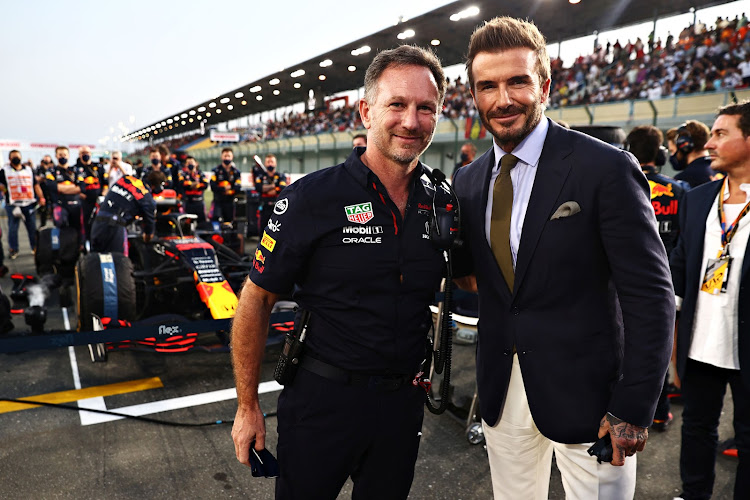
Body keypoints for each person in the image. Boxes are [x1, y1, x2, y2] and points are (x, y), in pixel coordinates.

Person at [451, 17, 674, 499]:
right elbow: (477, 278)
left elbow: (650, 295)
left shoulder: (606, 168)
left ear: (545, 86)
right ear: (474, 96)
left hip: (594, 400)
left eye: (517, 81)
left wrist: (634, 405)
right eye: (487, 86)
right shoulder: (467, 182)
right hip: (500, 392)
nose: (502, 99)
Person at [231, 44, 448, 499]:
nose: (411, 121)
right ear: (367, 112)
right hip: (321, 404)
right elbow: (256, 299)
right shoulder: (309, 198)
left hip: (401, 406)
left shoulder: (443, 200)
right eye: (397, 104)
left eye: (425, 108)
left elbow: (468, 278)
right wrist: (246, 405)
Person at [670, 101, 750, 500]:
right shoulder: (698, 199)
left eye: (722, 134)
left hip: (744, 343)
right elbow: (680, 270)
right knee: (697, 426)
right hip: (701, 339)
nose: (711, 143)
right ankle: (693, 493)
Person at [626, 125, 689, 432]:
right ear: (661, 154)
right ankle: (660, 412)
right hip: (666, 281)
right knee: (656, 348)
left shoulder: (619, 183)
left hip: (622, 282)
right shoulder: (680, 191)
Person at [90, 171, 163, 254]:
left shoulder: (125, 178)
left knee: (94, 260)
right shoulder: (148, 199)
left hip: (98, 222)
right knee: (120, 262)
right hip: (114, 227)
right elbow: (149, 234)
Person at [0, 150, 45, 258]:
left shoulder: (29, 170)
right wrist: (5, 190)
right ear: (10, 159)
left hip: (29, 203)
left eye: (17, 156)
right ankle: (13, 249)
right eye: (14, 157)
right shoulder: (4, 171)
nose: (16, 158)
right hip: (13, 204)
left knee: (32, 228)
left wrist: (41, 197)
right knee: (12, 229)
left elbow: (36, 185)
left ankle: (35, 248)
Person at [46, 146, 85, 242]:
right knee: (61, 225)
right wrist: (73, 188)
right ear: (56, 156)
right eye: (60, 155)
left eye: (64, 154)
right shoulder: (51, 171)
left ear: (68, 156)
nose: (62, 157)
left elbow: (82, 187)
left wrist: (62, 188)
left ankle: (78, 248)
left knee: (78, 229)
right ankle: (63, 250)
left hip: (76, 205)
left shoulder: (76, 170)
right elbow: (53, 187)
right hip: (60, 204)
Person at [76, 145, 107, 244]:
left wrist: (102, 196)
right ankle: (86, 244)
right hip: (85, 202)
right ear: (79, 155)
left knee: (101, 223)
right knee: (86, 224)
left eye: (87, 153)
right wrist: (82, 195)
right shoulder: (76, 169)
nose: (85, 155)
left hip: (99, 202)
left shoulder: (98, 167)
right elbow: (75, 186)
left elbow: (105, 183)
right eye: (83, 153)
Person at [672, 120, 716, 188]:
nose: (673, 155)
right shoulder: (723, 170)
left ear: (684, 146)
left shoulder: (684, 178)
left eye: (673, 151)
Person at [254, 154, 287, 232]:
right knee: (263, 229)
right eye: (268, 162)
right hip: (264, 207)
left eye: (272, 162)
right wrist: (273, 186)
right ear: (265, 163)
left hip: (277, 208)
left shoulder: (281, 176)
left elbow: (282, 188)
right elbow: (259, 188)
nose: (270, 164)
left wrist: (266, 189)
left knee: (277, 230)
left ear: (275, 163)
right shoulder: (260, 176)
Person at [210, 148, 241, 223]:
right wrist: (223, 189)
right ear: (221, 157)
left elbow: (238, 187)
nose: (227, 158)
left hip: (230, 202)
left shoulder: (236, 172)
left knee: (229, 223)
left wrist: (230, 191)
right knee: (216, 221)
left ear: (232, 157)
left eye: (228, 156)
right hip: (218, 202)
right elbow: (213, 186)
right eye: (225, 156)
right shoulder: (215, 171)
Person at [177, 156, 207, 224]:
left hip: (199, 202)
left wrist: (195, 185)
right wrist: (194, 184)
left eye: (192, 162)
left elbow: (205, 184)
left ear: (196, 163)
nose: (190, 164)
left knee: (202, 223)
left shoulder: (201, 174)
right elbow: (182, 184)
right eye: (188, 163)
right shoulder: (182, 174)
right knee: (187, 223)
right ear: (185, 165)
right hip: (188, 203)